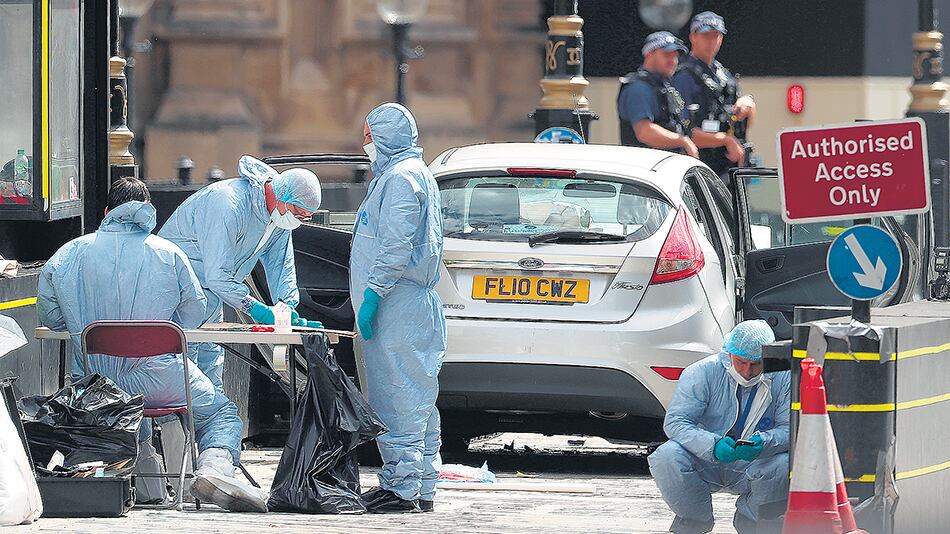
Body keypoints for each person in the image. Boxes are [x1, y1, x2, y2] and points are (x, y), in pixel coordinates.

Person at [37, 177, 268, 512]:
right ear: (148, 212)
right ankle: (214, 469)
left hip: (93, 386)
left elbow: (53, 318)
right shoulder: (169, 253)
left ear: (106, 212)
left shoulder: (67, 255)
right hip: (161, 378)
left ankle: (148, 488)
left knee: (130, 409)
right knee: (220, 412)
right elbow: (194, 313)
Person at [158, 156, 322, 507]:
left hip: (208, 304)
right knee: (204, 398)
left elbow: (282, 269)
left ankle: (213, 468)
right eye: (300, 213)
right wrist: (254, 308)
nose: (301, 221)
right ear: (281, 197)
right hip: (173, 301)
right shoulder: (227, 203)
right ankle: (215, 465)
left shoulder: (278, 219)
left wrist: (289, 312)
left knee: (209, 384)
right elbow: (217, 274)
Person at [350, 103, 447, 514]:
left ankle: (401, 488)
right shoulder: (404, 175)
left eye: (368, 134)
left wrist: (373, 294)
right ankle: (420, 484)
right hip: (405, 301)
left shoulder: (401, 179)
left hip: (397, 303)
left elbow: (395, 244)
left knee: (398, 395)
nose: (364, 142)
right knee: (419, 398)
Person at [648, 320, 790, 534]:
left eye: (755, 364)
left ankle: (751, 519)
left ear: (768, 359)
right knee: (666, 456)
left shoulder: (783, 376)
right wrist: (711, 444)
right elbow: (676, 421)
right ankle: (694, 520)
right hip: (704, 457)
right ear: (729, 354)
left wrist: (765, 443)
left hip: (756, 462)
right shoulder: (701, 372)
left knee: (785, 464)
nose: (747, 371)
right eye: (741, 362)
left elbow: (791, 428)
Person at [672, 11, 757, 182]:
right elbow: (684, 133)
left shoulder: (723, 75)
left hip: (727, 168)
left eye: (715, 35)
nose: (711, 41)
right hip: (700, 170)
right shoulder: (684, 77)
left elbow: (741, 125)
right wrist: (726, 141)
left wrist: (748, 104)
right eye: (705, 36)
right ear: (693, 37)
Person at [617, 31, 698, 158]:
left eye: (675, 56)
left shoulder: (662, 86)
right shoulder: (638, 88)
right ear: (649, 54)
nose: (673, 61)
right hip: (643, 169)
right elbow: (644, 132)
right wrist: (682, 141)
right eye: (666, 55)